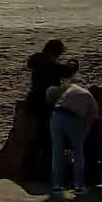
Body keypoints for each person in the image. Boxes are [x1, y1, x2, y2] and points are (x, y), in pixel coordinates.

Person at [26, 39, 79, 179]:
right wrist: (74, 63)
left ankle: (32, 167)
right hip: (45, 104)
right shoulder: (51, 66)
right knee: (46, 137)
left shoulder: (37, 62)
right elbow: (68, 71)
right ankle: (43, 169)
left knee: (41, 136)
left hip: (33, 102)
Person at [47, 79, 99, 195]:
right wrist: (81, 141)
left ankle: (57, 187)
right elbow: (88, 126)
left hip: (56, 116)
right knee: (78, 155)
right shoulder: (93, 104)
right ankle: (79, 187)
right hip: (72, 118)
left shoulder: (73, 88)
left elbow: (52, 93)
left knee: (57, 153)